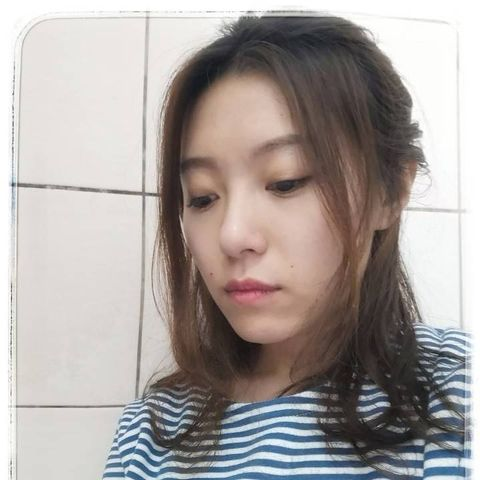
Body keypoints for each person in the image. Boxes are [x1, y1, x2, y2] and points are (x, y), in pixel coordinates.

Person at [102, 13, 471, 479]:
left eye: (285, 182)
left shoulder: (456, 394)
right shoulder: (152, 431)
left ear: (390, 192)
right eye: (202, 197)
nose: (232, 235)